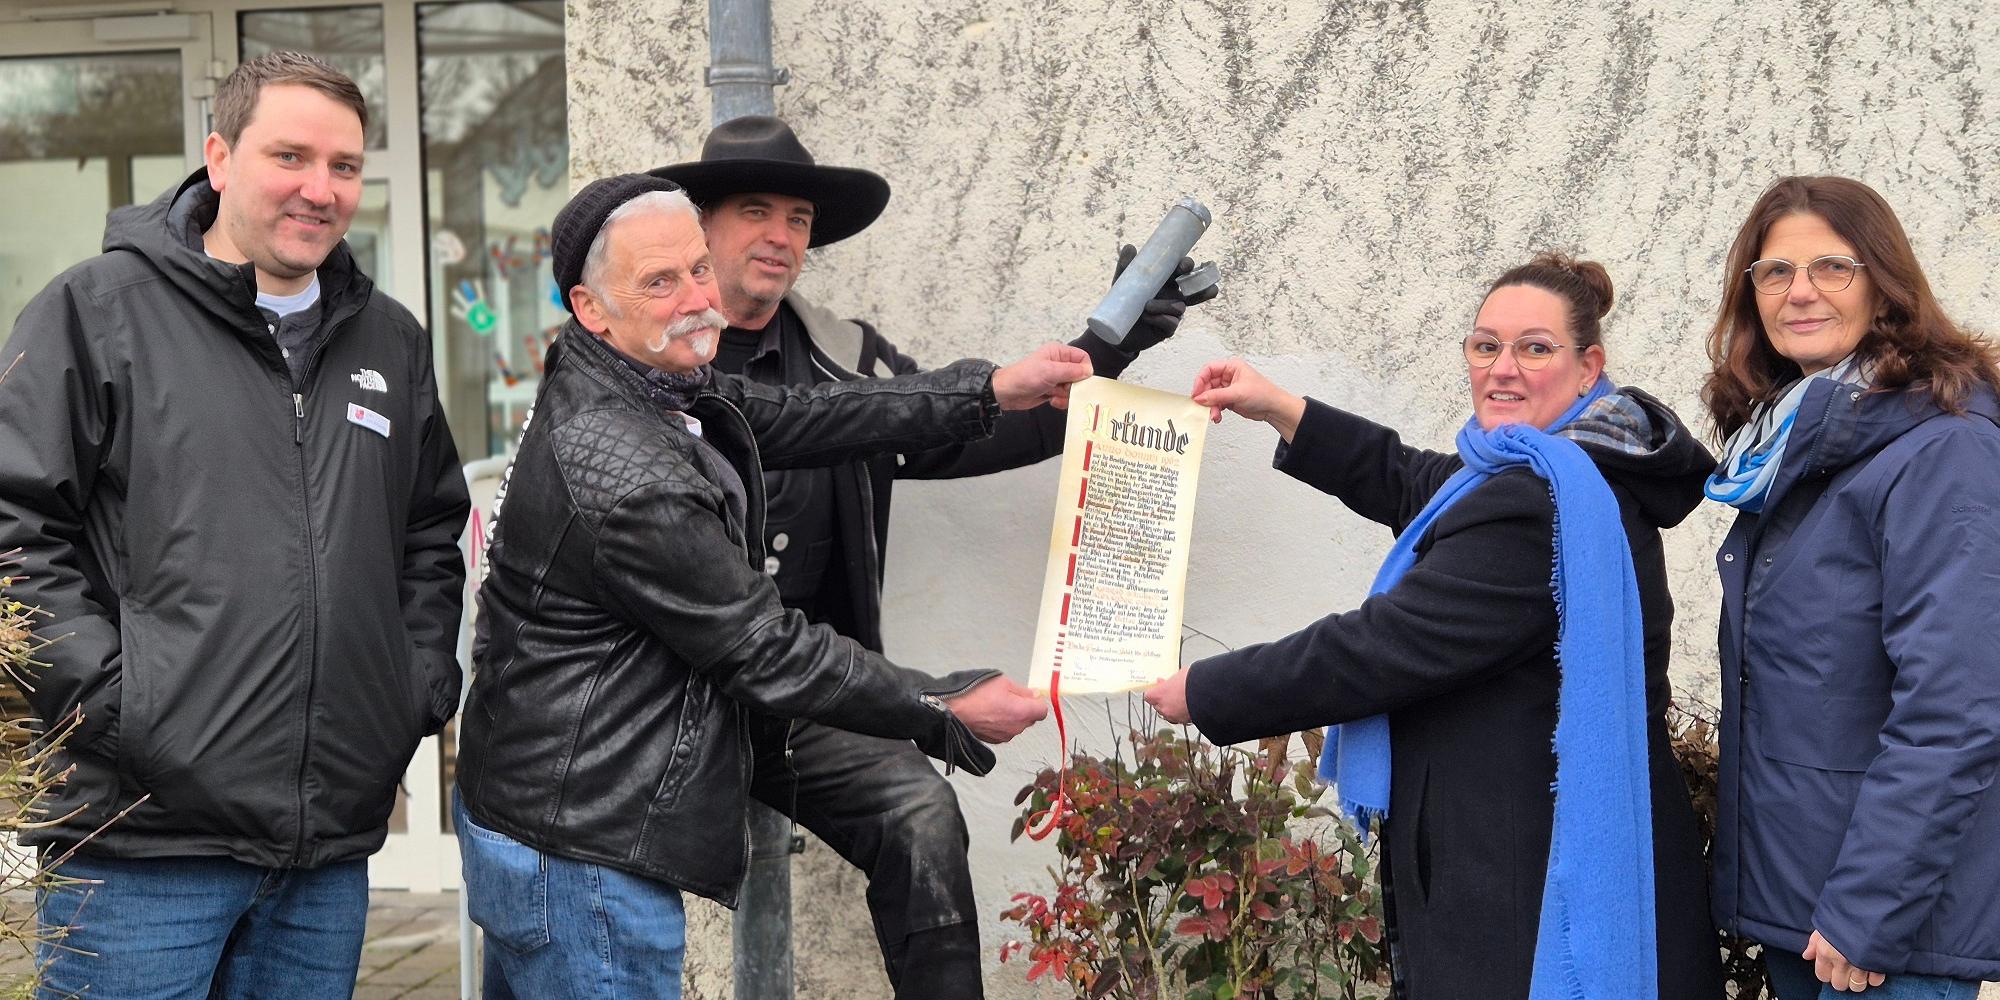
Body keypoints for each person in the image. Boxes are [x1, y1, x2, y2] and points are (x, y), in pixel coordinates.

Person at [453, 173, 1090, 999]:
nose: (697, 299)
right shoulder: (628, 470)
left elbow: (812, 415)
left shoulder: (643, 378)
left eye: (697, 270)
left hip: (540, 811)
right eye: (659, 282)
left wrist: (988, 389)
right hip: (580, 852)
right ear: (591, 307)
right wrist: (940, 705)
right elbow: (764, 647)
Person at [647, 113, 1215, 996]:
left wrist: (1113, 344)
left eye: (797, 219)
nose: (779, 236)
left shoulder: (847, 362)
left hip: (810, 694)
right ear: (700, 228)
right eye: (755, 211)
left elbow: (982, 422)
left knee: (920, 813)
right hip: (663, 698)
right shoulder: (648, 362)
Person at [0, 52, 469, 999]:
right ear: (219, 158)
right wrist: (121, 709)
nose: (320, 189)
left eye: (344, 165)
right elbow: (14, 528)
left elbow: (429, 533)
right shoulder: (98, 313)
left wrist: (411, 688)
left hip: (322, 849)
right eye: (290, 156)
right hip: (139, 845)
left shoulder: (389, 339)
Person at [1144, 253, 1724, 999]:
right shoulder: (1555, 469)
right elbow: (1416, 480)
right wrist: (1283, 408)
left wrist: (1206, 690)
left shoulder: (1540, 504)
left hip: (1526, 884)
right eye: (1486, 345)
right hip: (1529, 853)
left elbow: (1379, 648)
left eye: (1535, 348)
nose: (1502, 368)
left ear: (1588, 368)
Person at [1699, 176, 2000, 999]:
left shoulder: (1942, 450)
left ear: (1884, 283)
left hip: (1883, 937)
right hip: (1803, 910)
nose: (1800, 292)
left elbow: (1957, 707)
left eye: (1833, 266)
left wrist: (1869, 909)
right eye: (1775, 272)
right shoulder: (1796, 445)